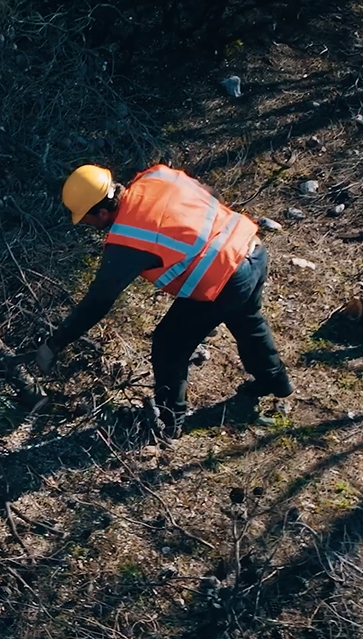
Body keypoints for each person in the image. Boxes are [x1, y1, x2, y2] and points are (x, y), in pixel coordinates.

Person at [35, 163, 293, 437]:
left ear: (101, 212)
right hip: (250, 248)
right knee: (248, 321)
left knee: (169, 345)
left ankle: (169, 422)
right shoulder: (155, 176)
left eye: (87, 220)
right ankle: (276, 382)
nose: (88, 226)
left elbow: (98, 301)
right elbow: (210, 195)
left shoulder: (128, 238)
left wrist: (56, 343)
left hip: (224, 279)